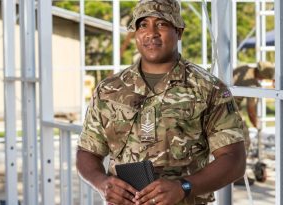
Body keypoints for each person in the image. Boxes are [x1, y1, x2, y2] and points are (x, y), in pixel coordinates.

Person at [76, 0, 246, 204]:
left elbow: (234, 160)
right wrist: (102, 183)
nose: (151, 33)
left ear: (179, 31)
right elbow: (87, 153)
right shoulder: (109, 90)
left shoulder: (208, 89)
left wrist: (184, 187)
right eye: (143, 24)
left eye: (162, 24)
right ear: (135, 32)